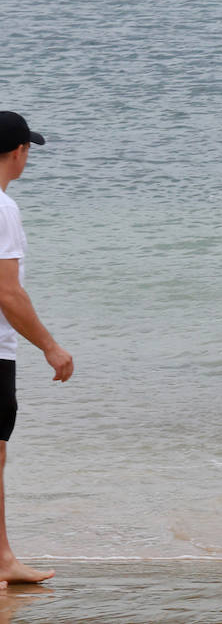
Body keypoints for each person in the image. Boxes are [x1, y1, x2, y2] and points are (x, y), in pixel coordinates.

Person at [0, 112, 74, 584]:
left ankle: (3, 557)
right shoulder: (3, 208)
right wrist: (50, 346)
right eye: (29, 149)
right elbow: (7, 291)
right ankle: (2, 559)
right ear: (19, 152)